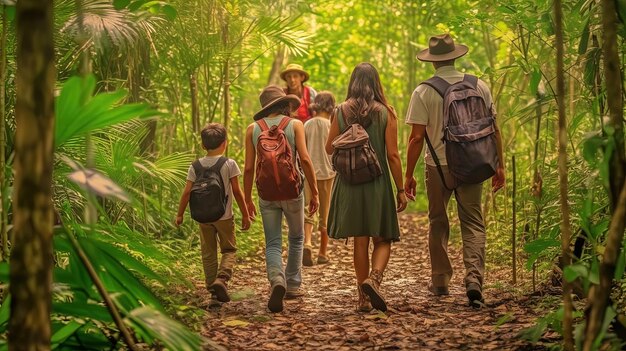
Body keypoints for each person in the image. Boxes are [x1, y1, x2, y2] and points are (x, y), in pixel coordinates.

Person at [403, 34, 505, 307]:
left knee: (438, 220)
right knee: (472, 221)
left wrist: (408, 174)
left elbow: (415, 138)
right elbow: (494, 129)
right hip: (474, 161)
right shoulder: (479, 85)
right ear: (455, 56)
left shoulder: (423, 91)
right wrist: (500, 165)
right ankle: (474, 279)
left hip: (438, 166)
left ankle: (440, 280)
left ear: (432, 62)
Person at [325, 63, 408, 312]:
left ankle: (363, 298)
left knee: (360, 242)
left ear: (353, 82)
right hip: (377, 182)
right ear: (376, 83)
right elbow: (393, 155)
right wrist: (401, 189)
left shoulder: (340, 111)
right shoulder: (386, 113)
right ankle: (375, 278)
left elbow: (330, 147)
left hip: (349, 183)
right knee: (383, 238)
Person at [243, 85, 320, 313]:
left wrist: (247, 198)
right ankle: (293, 285)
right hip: (293, 191)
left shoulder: (252, 129)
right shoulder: (295, 125)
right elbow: (305, 159)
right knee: (297, 238)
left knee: (273, 242)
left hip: (267, 194)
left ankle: (277, 279)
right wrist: (314, 191)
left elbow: (248, 169)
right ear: (285, 104)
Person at [175, 123, 250, 307]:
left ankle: (213, 294)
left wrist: (180, 215)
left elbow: (186, 192)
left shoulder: (195, 166)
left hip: (203, 217)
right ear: (225, 143)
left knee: (208, 253)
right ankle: (222, 279)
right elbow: (237, 192)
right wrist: (245, 214)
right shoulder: (229, 164)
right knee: (229, 249)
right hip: (224, 216)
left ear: (203, 145)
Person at [302, 91, 336, 266]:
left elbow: (302, 151)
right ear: (331, 106)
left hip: (310, 174)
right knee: (326, 214)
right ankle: (323, 253)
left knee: (308, 209)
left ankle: (307, 243)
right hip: (328, 173)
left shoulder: (307, 125)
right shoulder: (331, 125)